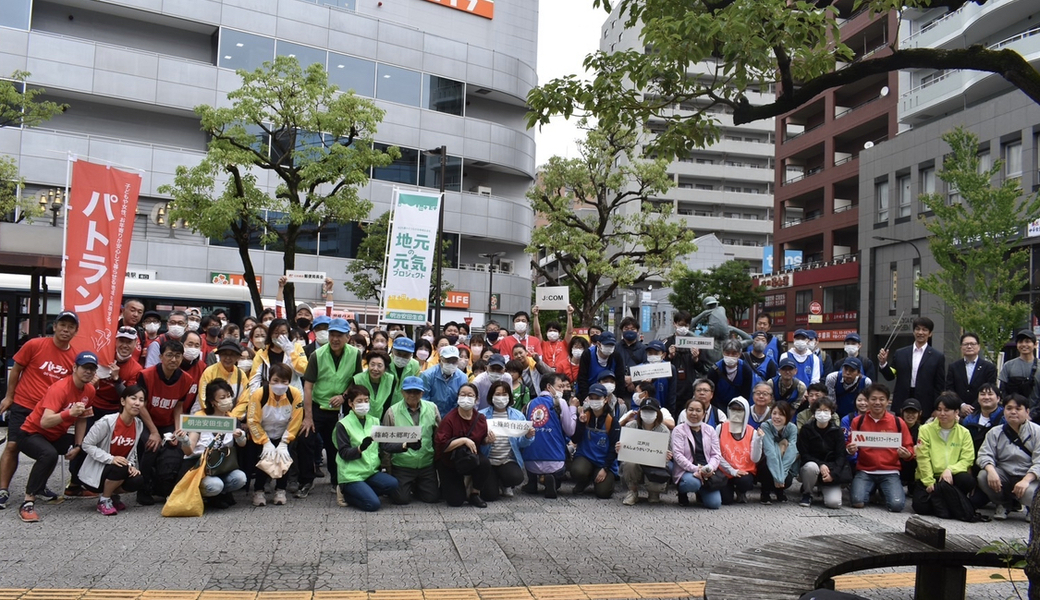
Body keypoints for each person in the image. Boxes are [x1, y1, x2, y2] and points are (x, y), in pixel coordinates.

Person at [0, 310, 80, 508]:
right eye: (62, 325)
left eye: (71, 327)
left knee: (49, 450)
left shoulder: (75, 358)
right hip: (24, 404)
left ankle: (39, 486)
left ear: (75, 331)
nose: (65, 330)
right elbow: (16, 369)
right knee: (12, 446)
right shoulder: (34, 345)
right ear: (55, 326)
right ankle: (2, 489)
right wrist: (9, 396)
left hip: (49, 413)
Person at [16, 351, 98, 522]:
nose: (88, 372)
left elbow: (82, 419)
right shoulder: (59, 388)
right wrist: (69, 413)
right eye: (85, 368)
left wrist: (77, 445)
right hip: (30, 433)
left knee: (88, 446)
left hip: (55, 436)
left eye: (92, 369)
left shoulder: (89, 390)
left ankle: (75, 486)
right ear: (75, 367)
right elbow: (45, 422)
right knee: (49, 454)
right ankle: (28, 502)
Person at [298, 318, 362, 497]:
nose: (335, 339)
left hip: (340, 409)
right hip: (317, 406)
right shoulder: (316, 355)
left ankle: (336, 480)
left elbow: (356, 381)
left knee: (335, 445)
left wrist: (344, 396)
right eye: (332, 335)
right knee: (305, 439)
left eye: (339, 335)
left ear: (347, 337)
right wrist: (308, 417)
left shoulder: (355, 354)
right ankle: (306, 481)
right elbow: (308, 386)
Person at [134, 339, 196, 506]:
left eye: (177, 356)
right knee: (151, 446)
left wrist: (178, 431)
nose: (173, 360)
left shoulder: (186, 379)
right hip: (146, 420)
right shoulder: (145, 375)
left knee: (175, 448)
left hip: (168, 421)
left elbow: (178, 406)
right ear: (161, 356)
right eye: (169, 355)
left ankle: (163, 488)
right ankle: (143, 488)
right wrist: (153, 432)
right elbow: (141, 406)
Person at [172, 380, 248, 508]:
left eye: (229, 396)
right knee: (214, 485)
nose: (227, 400)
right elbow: (188, 451)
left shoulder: (231, 419)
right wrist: (184, 440)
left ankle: (220, 495)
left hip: (221, 466)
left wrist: (241, 437)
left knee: (240, 478)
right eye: (222, 398)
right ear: (213, 401)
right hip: (199, 466)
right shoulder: (200, 418)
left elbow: (242, 445)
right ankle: (201, 495)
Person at [847, 383, 916, 512]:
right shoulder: (858, 421)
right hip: (865, 471)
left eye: (881, 399)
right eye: (873, 399)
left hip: (890, 472)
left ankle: (883, 490)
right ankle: (871, 489)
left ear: (888, 401)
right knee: (857, 501)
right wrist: (850, 449)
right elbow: (850, 444)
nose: (877, 402)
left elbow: (909, 447)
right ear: (867, 401)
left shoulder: (898, 422)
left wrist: (907, 454)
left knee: (896, 506)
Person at [80, 385, 146, 515]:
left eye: (141, 400)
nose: (137, 403)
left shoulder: (138, 424)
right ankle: (104, 500)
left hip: (118, 468)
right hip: (98, 472)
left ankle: (112, 496)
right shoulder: (106, 422)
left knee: (137, 479)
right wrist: (111, 459)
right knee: (120, 467)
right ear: (123, 401)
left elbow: (132, 451)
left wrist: (131, 466)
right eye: (133, 398)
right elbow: (86, 444)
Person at [331, 385, 399, 511]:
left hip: (370, 472)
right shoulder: (343, 424)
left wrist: (405, 445)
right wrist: (360, 448)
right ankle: (345, 493)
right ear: (350, 403)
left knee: (393, 484)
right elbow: (344, 453)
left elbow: (385, 445)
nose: (364, 404)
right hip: (351, 475)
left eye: (366, 401)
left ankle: (363, 490)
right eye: (359, 401)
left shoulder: (374, 421)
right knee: (373, 505)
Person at [912, 392, 978, 521]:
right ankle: (951, 503)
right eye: (939, 410)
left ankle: (944, 501)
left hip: (951, 478)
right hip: (931, 477)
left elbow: (967, 459)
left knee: (967, 480)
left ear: (956, 412)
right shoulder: (925, 430)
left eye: (947, 410)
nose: (942, 414)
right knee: (920, 507)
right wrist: (929, 482)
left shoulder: (964, 432)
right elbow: (922, 458)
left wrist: (950, 470)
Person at [245, 363, 303, 507]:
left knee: (284, 459)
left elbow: (296, 419)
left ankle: (280, 489)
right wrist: (265, 441)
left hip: (284, 433)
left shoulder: (294, 394)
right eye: (275, 380)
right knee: (263, 461)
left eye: (284, 381)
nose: (279, 385)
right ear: (269, 379)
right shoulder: (259, 394)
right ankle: (259, 490)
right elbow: (252, 420)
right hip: (262, 433)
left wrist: (284, 442)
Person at [976, 394, 1040, 520]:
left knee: (1031, 494)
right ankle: (1004, 504)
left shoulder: (1037, 432)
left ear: (1027, 412)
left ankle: (1031, 507)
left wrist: (1026, 480)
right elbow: (984, 454)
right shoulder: (995, 432)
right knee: (983, 476)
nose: (1013, 412)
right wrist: (991, 470)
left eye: (1018, 409)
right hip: (1004, 474)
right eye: (1009, 408)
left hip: (1029, 476)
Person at [381, 376, 441, 505]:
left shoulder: (432, 408)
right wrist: (387, 468)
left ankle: (417, 486)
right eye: (409, 392)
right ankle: (408, 485)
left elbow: (437, 436)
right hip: (402, 465)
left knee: (432, 498)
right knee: (401, 499)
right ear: (402, 392)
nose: (412, 395)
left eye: (417, 392)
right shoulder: (392, 412)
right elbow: (385, 443)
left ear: (422, 393)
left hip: (426, 463)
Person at [434, 383, 494, 507]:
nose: (466, 398)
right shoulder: (449, 419)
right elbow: (441, 446)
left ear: (476, 399)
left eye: (470, 395)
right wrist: (463, 440)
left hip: (471, 457)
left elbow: (481, 440)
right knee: (456, 501)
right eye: (463, 394)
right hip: (450, 460)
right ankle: (447, 486)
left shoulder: (480, 418)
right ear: (458, 397)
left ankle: (474, 493)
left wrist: (487, 440)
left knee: (485, 463)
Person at [877, 316, 946, 416]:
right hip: (902, 401)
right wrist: (883, 363)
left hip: (926, 405)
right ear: (913, 331)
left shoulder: (937, 356)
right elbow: (890, 376)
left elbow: (939, 386)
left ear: (930, 333)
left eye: (924, 330)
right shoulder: (900, 353)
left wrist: (937, 408)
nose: (920, 332)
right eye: (917, 329)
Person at [522, 374, 576, 498]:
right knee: (564, 455)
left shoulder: (530, 404)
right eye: (560, 386)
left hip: (530, 461)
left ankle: (532, 483)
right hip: (555, 461)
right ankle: (552, 481)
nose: (563, 390)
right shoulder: (560, 402)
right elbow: (570, 430)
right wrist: (573, 409)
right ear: (549, 387)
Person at [479, 381, 535, 500]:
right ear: (491, 396)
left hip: (507, 459)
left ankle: (505, 484)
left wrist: (528, 436)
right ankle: (493, 481)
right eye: (497, 394)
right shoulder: (481, 416)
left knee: (516, 477)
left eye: (504, 394)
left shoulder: (517, 416)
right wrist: (485, 441)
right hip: (488, 460)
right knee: (489, 496)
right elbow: (476, 440)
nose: (501, 397)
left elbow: (521, 443)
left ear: (509, 396)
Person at [797, 396, 850, 508]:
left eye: (826, 410)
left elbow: (841, 456)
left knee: (834, 503)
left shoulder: (837, 431)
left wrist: (833, 474)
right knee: (811, 467)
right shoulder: (806, 430)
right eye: (819, 410)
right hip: (812, 467)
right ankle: (807, 493)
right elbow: (804, 454)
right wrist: (820, 465)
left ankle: (823, 487)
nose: (822, 413)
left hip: (831, 470)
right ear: (814, 412)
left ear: (831, 413)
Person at [570, 383, 621, 499]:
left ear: (605, 400)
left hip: (604, 461)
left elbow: (614, 447)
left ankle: (605, 479)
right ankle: (585, 480)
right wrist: (581, 425)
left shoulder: (611, 421)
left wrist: (605, 469)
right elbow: (575, 439)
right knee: (577, 470)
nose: (594, 401)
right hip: (585, 457)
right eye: (591, 398)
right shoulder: (584, 415)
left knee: (603, 493)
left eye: (598, 398)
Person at [619, 397, 672, 505]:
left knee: (656, 487)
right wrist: (620, 448)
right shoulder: (631, 426)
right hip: (635, 462)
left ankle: (653, 492)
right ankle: (632, 491)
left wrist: (666, 455)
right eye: (645, 411)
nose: (648, 414)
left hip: (655, 464)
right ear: (639, 412)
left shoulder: (664, 430)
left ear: (657, 413)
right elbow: (625, 451)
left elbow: (665, 454)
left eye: (651, 411)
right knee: (629, 463)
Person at [672, 398, 723, 509]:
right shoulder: (678, 430)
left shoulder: (710, 430)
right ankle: (682, 492)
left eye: (698, 410)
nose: (694, 413)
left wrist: (710, 468)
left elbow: (716, 454)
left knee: (715, 504)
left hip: (706, 470)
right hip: (687, 470)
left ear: (704, 413)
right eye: (691, 410)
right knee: (693, 483)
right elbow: (678, 455)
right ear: (686, 412)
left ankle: (700, 491)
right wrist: (696, 469)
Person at [715, 396, 759, 504]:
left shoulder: (752, 431)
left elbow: (755, 458)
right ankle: (728, 489)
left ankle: (741, 491)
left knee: (745, 482)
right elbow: (715, 453)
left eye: (740, 410)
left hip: (744, 471)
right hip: (724, 470)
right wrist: (732, 471)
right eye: (733, 409)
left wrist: (759, 440)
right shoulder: (720, 428)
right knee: (726, 501)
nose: (736, 413)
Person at [249, 318, 308, 392]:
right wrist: (255, 398)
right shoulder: (262, 353)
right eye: (276, 333)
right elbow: (255, 379)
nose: (279, 336)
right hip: (269, 396)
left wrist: (290, 352)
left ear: (288, 333)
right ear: (270, 334)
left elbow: (302, 371)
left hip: (292, 395)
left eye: (283, 333)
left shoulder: (297, 348)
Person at [946, 332, 997, 416]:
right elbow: (950, 389)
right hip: (958, 411)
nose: (969, 346)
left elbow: (991, 389)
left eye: (972, 344)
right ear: (961, 347)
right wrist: (962, 405)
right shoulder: (953, 367)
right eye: (966, 344)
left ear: (979, 347)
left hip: (982, 411)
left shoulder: (989, 367)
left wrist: (973, 407)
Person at [666, 310, 711, 403]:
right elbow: (660, 367)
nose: (683, 328)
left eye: (686, 325)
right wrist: (669, 356)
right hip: (671, 386)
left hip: (689, 387)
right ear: (675, 324)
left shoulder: (695, 343)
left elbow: (702, 369)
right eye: (681, 325)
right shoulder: (667, 342)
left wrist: (696, 359)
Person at [194, 339, 250, 414]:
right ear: (219, 355)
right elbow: (203, 397)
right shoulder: (209, 372)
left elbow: (244, 401)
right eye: (224, 354)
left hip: (231, 417)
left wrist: (232, 415)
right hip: (208, 415)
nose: (228, 358)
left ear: (238, 357)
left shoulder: (241, 375)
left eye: (232, 354)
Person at [757, 401, 798, 504]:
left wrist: (782, 477)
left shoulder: (792, 428)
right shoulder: (766, 425)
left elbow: (792, 451)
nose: (777, 417)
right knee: (767, 464)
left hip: (784, 460)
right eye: (774, 413)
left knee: (787, 479)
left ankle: (780, 490)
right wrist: (777, 477)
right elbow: (770, 451)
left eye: (781, 414)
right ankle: (765, 492)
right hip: (767, 460)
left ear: (787, 416)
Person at [575, 331, 626, 400]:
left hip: (610, 393)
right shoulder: (588, 354)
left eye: (612, 346)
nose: (609, 348)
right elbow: (582, 377)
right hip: (589, 391)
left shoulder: (616, 356)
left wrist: (620, 397)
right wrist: (585, 397)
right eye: (607, 345)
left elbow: (620, 378)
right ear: (598, 344)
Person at [708, 339, 756, 413]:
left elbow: (746, 394)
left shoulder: (746, 370)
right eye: (727, 353)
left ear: (739, 354)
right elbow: (711, 393)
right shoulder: (714, 370)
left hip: (738, 407)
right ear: (723, 353)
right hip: (718, 406)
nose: (730, 356)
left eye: (734, 353)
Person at [421, 345, 468, 417]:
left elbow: (460, 401)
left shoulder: (462, 378)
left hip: (453, 417)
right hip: (430, 415)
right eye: (448, 360)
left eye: (454, 361)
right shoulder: (428, 375)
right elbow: (424, 400)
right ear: (441, 359)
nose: (451, 364)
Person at [961, 383, 1004, 456]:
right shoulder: (969, 420)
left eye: (990, 394)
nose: (986, 397)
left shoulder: (1005, 418)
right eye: (982, 394)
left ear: (998, 399)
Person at [353, 351, 395, 421]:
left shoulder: (391, 380)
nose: (375, 369)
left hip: (382, 420)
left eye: (379, 366)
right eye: (372, 365)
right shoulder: (357, 379)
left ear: (385, 368)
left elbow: (389, 403)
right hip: (360, 419)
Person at [999, 330, 1040, 402]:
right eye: (1020, 342)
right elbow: (1003, 390)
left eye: (1027, 341)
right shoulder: (1008, 366)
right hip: (1015, 410)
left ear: (1035, 344)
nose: (1024, 345)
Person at [531, 304, 574, 373]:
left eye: (555, 331)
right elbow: (537, 333)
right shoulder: (543, 344)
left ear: (560, 334)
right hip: (546, 372)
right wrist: (535, 316)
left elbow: (569, 332)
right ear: (546, 333)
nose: (552, 332)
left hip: (561, 372)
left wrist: (569, 315)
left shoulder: (564, 344)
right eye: (550, 331)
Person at [640, 341, 677, 413]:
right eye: (650, 353)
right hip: (644, 409)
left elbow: (672, 394)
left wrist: (670, 414)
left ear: (663, 355)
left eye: (656, 353)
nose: (653, 356)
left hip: (663, 410)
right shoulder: (640, 369)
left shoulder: (669, 368)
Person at [617, 317, 648, 402]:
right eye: (626, 329)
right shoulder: (615, 348)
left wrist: (633, 380)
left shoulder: (644, 349)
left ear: (637, 332)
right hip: (618, 391)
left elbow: (646, 368)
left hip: (638, 391)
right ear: (621, 331)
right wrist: (622, 379)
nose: (629, 331)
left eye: (632, 329)